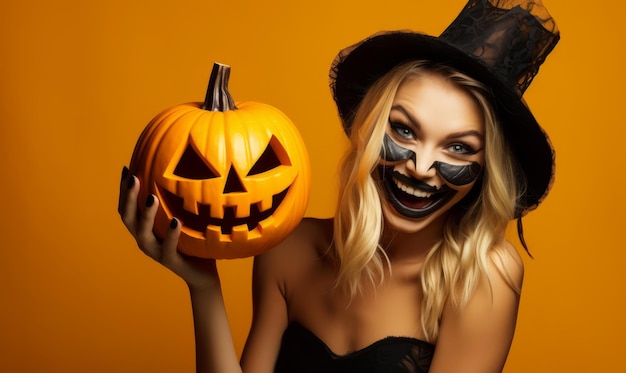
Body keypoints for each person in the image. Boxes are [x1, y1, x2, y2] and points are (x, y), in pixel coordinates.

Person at [118, 0, 559, 372]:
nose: (422, 167)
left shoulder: (482, 276)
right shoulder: (287, 249)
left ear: (485, 169)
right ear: (367, 130)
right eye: (404, 131)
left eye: (459, 148)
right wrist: (204, 285)